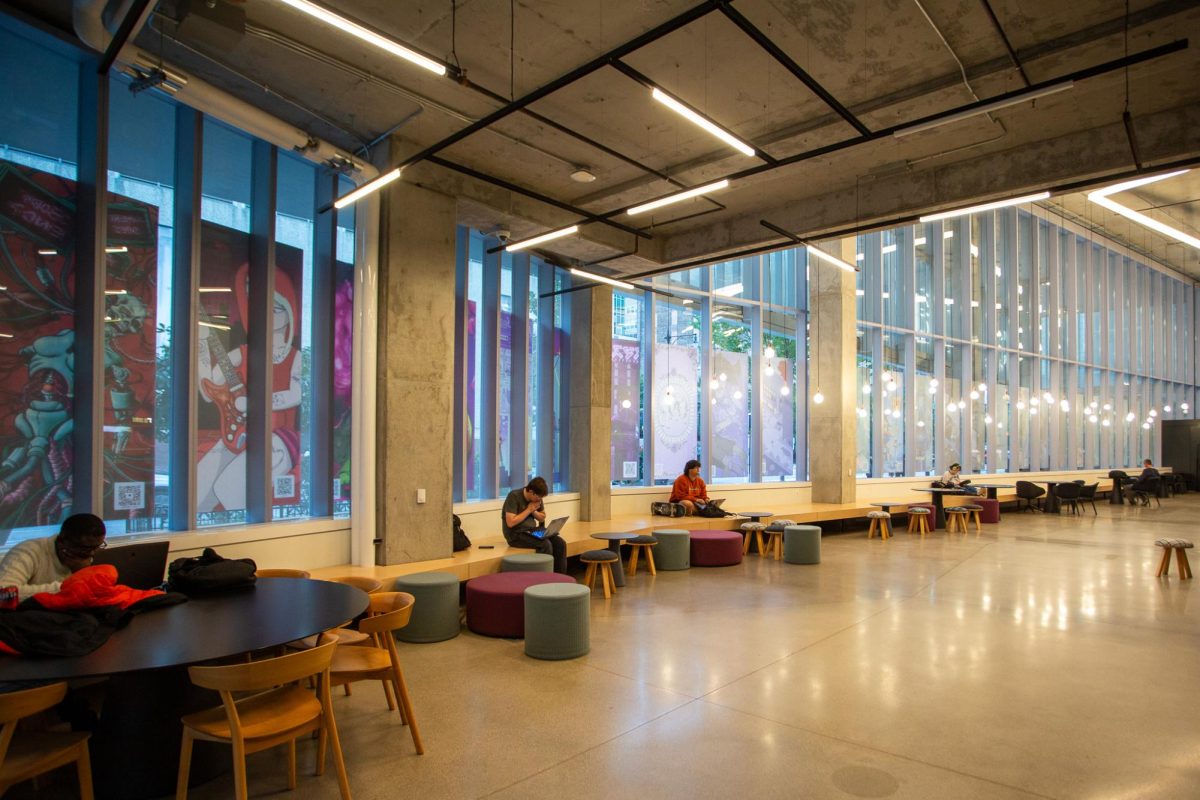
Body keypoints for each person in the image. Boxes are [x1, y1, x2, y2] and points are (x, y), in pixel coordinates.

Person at [0, 513, 107, 601]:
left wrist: (81, 572)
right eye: (85, 548)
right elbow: (3, 594)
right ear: (63, 541)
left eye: (97, 547)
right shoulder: (28, 552)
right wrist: (65, 588)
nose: (91, 554)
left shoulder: (84, 557)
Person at [501, 476, 566, 573]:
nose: (540, 500)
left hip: (532, 531)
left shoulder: (537, 498)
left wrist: (533, 511)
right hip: (516, 534)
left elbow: (542, 516)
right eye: (538, 497)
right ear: (531, 492)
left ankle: (559, 577)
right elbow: (510, 523)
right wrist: (528, 510)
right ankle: (543, 578)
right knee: (545, 544)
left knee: (560, 543)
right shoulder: (514, 496)